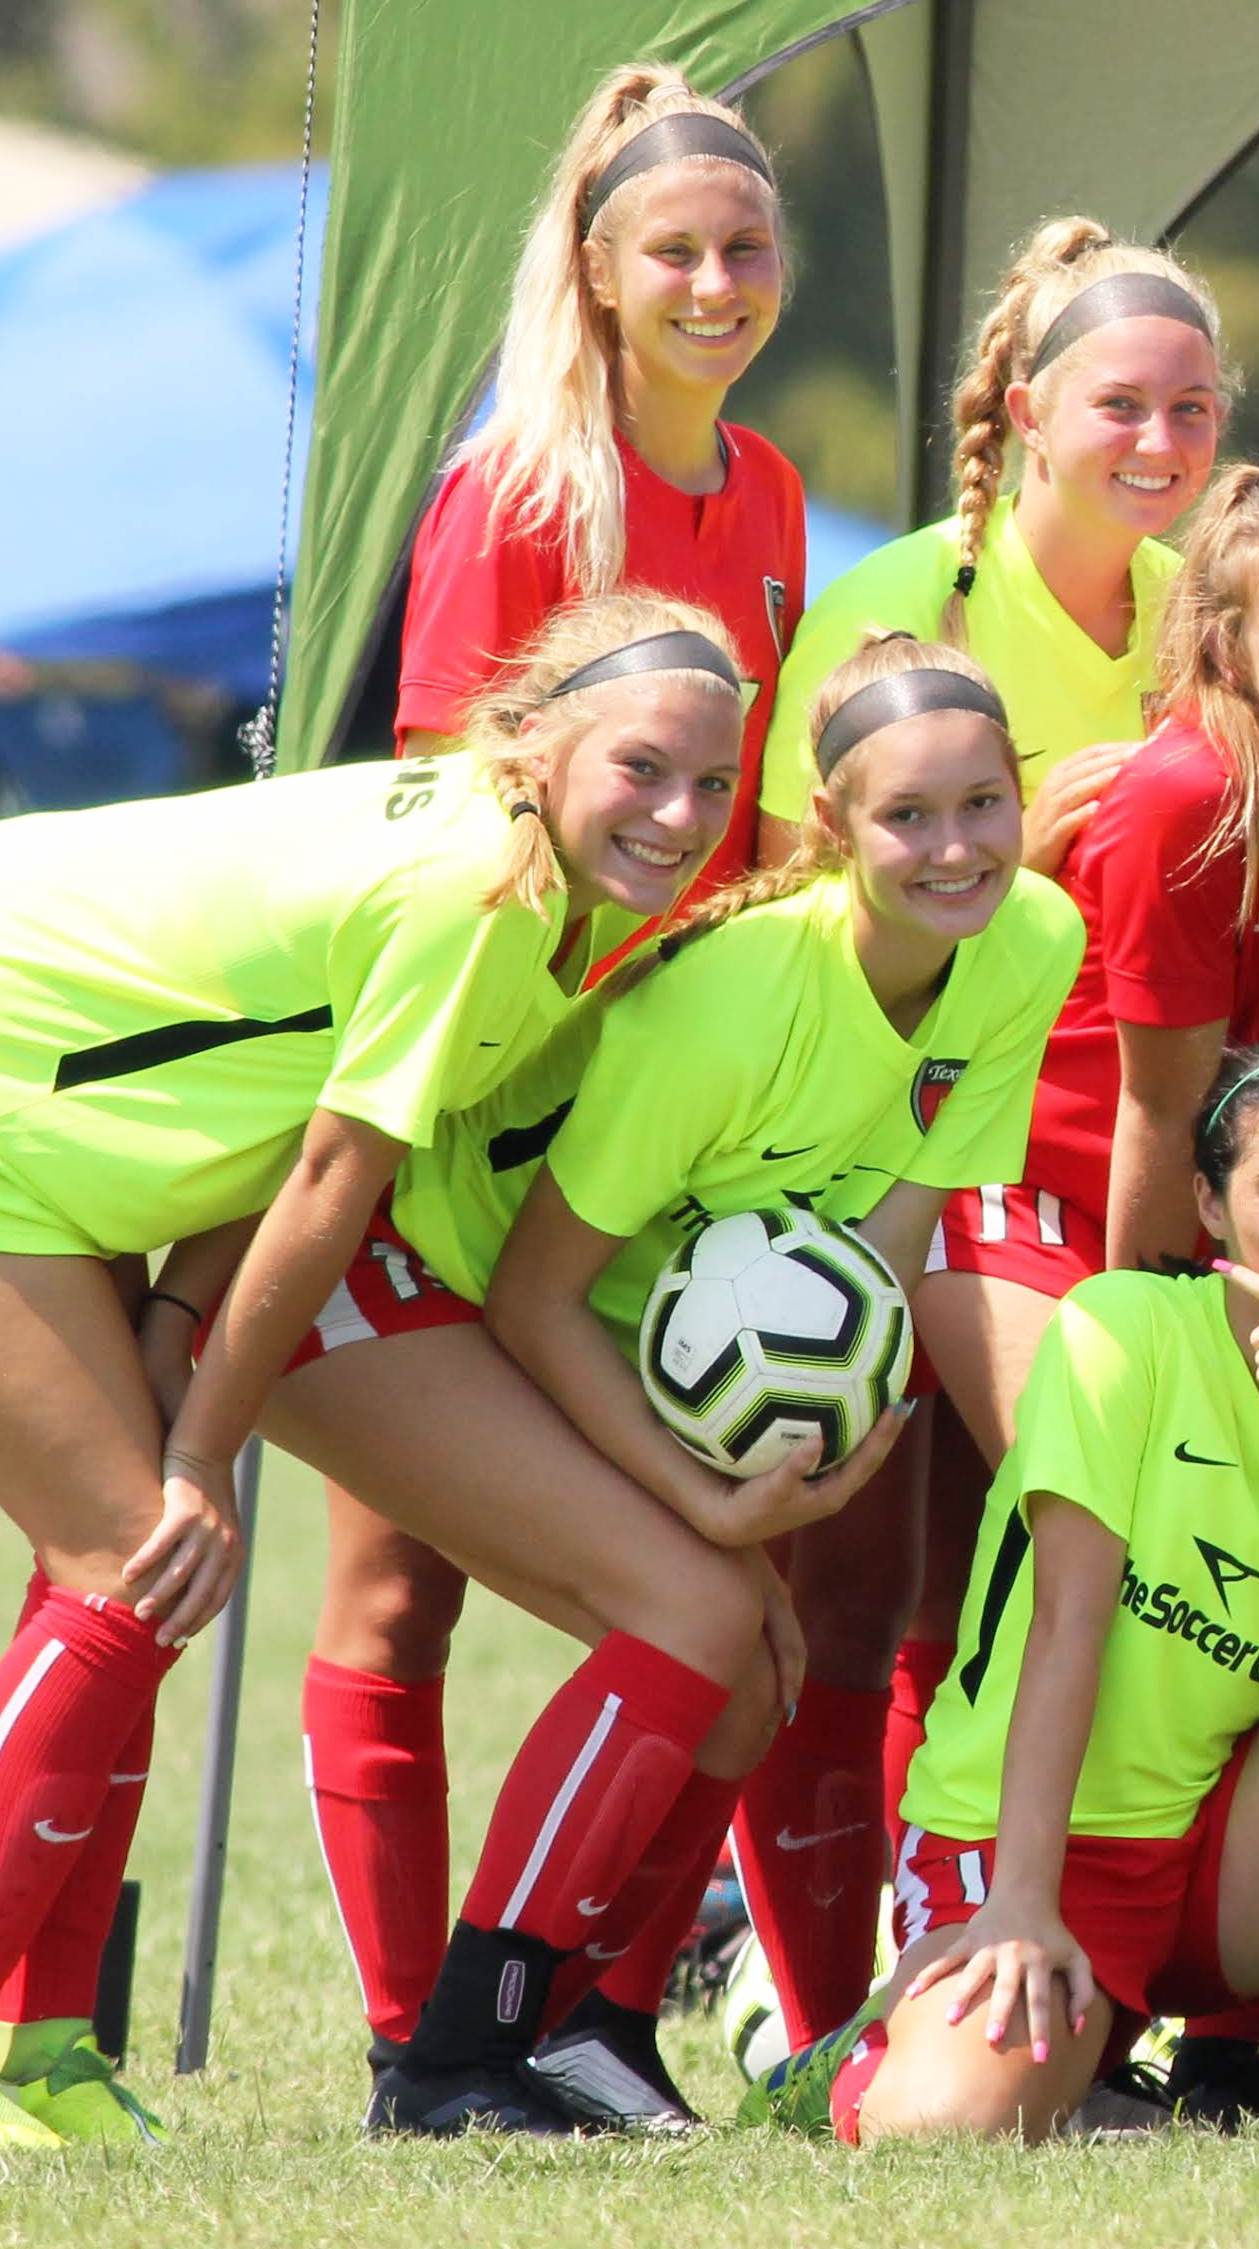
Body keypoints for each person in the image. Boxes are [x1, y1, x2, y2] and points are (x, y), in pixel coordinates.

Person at [289, 632, 1068, 2130]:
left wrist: (838, 1425)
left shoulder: (1028, 941)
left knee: (754, 1663)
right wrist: (712, 1506)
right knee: (703, 1613)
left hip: (592, 1325)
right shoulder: (726, 1005)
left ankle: (598, 2028)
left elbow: (876, 1255)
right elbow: (535, 1287)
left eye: (985, 804)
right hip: (423, 1275)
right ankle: (455, 2053)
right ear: (833, 831)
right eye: (909, 815)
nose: (956, 846)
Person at [0, 594, 749, 2144]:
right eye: (643, 770)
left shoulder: (540, 881)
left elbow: (270, 1099)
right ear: (533, 734)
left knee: (119, 1583)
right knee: (128, 1563)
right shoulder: (479, 886)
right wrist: (202, 1456)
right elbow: (333, 1178)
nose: (680, 817)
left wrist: (172, 1345)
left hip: (72, 1168)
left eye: (711, 786)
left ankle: (40, 2059)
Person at [872, 466, 1259, 2109]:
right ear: (1222, 643)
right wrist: (1179, 1342)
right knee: (1095, 1547)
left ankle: (1222, 2009)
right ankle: (927, 1952)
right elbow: (1156, 1113)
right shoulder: (1173, 795)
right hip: (1056, 1197)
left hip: (1257, 1210)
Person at [790, 1045, 1259, 2143]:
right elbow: (1067, 1624)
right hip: (1026, 1837)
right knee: (939, 2130)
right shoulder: (1121, 1329)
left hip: (1220, 1862)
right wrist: (1026, 1899)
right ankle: (849, 2060)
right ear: (1210, 1206)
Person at [392, 63, 799, 943]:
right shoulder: (520, 493)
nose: (717, 287)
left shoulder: (773, 486)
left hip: (707, 1005)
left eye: (744, 247)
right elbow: (438, 803)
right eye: (674, 252)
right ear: (600, 273)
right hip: (532, 1013)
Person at [757, 217, 1225, 868]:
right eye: (1120, 405)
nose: (1159, 441)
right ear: (1030, 415)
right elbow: (788, 888)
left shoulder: (1201, 610)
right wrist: (1013, 864)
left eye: (1190, 408)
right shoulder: (889, 607)